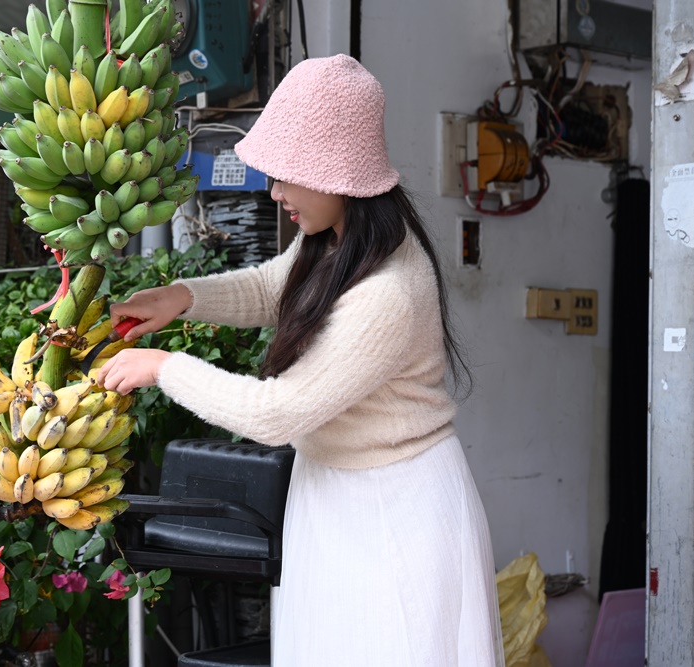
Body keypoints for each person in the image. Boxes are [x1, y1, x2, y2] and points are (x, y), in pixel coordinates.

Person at [97, 54, 505, 667]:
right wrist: (181, 299)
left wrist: (163, 367)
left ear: (337, 174)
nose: (273, 190)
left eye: (286, 174)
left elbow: (277, 413)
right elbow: (271, 287)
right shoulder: (337, 243)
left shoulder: (388, 291)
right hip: (330, 499)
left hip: (398, 514)